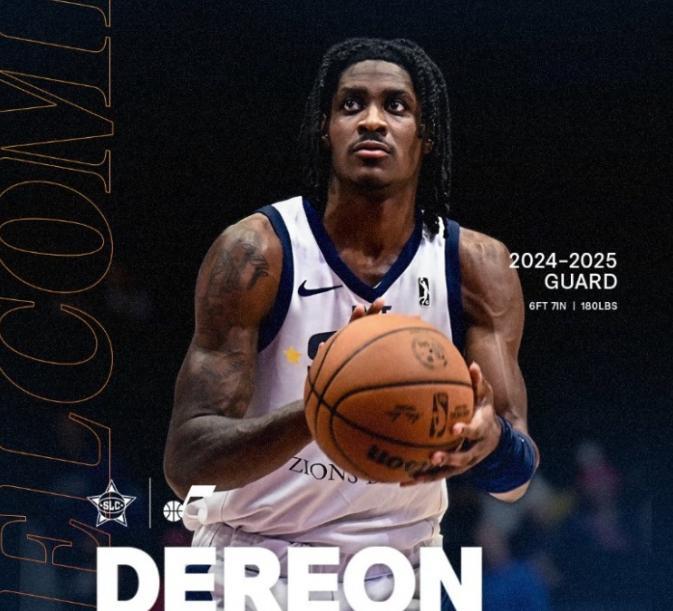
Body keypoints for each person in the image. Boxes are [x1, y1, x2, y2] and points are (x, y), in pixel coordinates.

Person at [164, 37, 539, 608]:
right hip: (250, 563)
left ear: (427, 135)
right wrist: (323, 408)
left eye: (396, 106)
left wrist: (487, 444)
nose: (372, 121)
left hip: (402, 568)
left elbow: (516, 482)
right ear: (326, 129)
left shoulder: (478, 266)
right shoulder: (256, 253)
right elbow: (187, 466)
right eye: (351, 104)